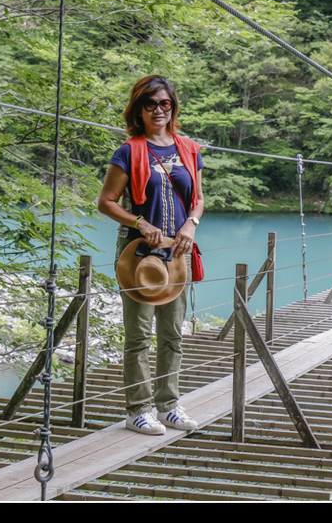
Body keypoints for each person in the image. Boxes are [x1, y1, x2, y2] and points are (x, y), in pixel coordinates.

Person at [98, 75, 204, 435]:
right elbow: (106, 203)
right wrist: (140, 222)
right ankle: (138, 410)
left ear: (172, 106)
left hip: (177, 251)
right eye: (150, 104)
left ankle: (169, 405)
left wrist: (191, 223)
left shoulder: (189, 149)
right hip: (138, 253)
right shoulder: (129, 151)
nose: (158, 110)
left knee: (173, 333)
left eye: (165, 104)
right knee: (139, 335)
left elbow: (199, 198)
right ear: (138, 109)